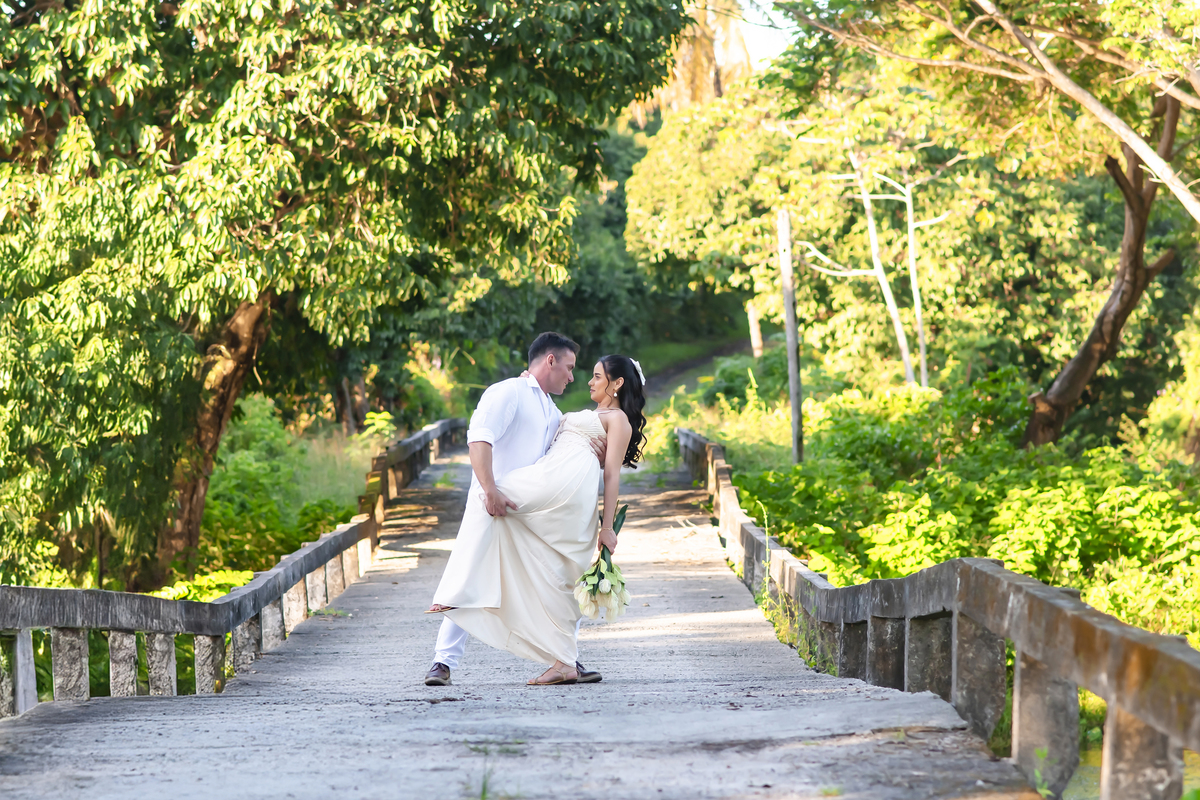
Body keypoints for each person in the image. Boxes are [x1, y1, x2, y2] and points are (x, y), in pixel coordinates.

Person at [426, 351, 647, 686]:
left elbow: (612, 475)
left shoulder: (618, 421)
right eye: (580, 371)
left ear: (617, 384)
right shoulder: (537, 401)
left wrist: (606, 528)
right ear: (549, 362)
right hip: (553, 476)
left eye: (597, 376)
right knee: (513, 530)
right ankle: (562, 659)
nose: (586, 380)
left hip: (564, 483)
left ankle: (456, 596)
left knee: (494, 500)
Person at [423, 332, 589, 685]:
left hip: (527, 512)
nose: (572, 377)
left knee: (555, 580)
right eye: (569, 368)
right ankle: (442, 663)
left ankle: (568, 658)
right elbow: (479, 439)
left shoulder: (553, 410)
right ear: (550, 361)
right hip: (491, 503)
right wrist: (490, 490)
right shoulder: (507, 392)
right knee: (469, 581)